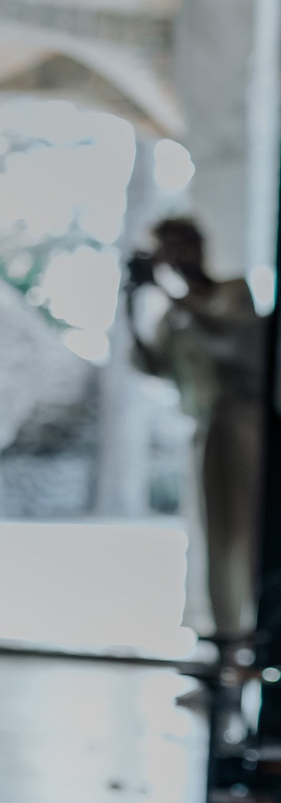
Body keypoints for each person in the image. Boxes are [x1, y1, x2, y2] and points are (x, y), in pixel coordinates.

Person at [128, 216, 267, 649]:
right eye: (169, 248)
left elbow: (236, 342)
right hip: (208, 425)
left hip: (246, 420)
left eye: (182, 245)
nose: (178, 256)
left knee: (249, 531)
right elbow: (156, 367)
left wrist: (170, 289)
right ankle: (228, 641)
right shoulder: (175, 313)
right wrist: (130, 303)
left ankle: (257, 633)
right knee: (215, 534)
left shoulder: (233, 292)